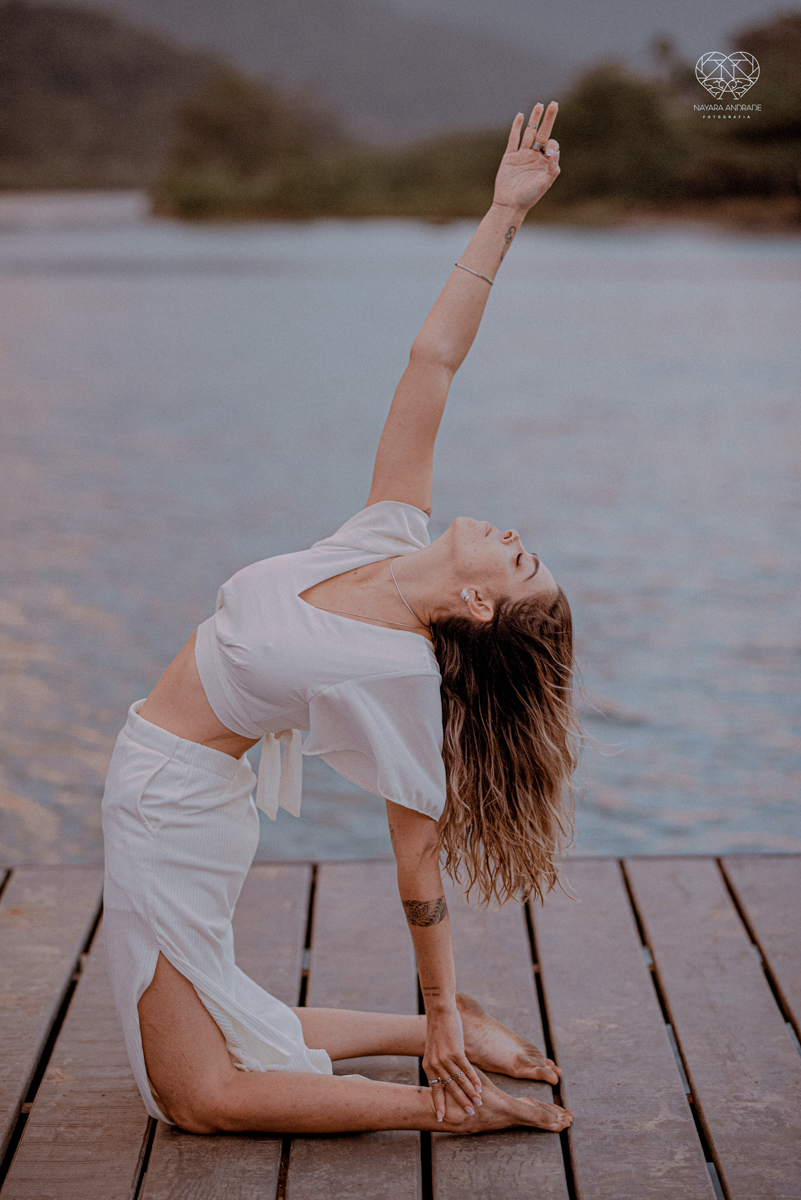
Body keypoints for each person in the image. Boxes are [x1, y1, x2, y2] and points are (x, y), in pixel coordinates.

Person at [102, 101, 577, 1138]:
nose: (514, 531)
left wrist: (440, 1006)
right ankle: (433, 1053)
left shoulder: (401, 676)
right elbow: (431, 364)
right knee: (217, 1019)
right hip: (179, 787)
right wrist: (506, 213)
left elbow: (416, 861)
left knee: (200, 1097)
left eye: (521, 558)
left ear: (480, 601)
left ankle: (445, 1100)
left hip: (171, 800)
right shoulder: (384, 539)